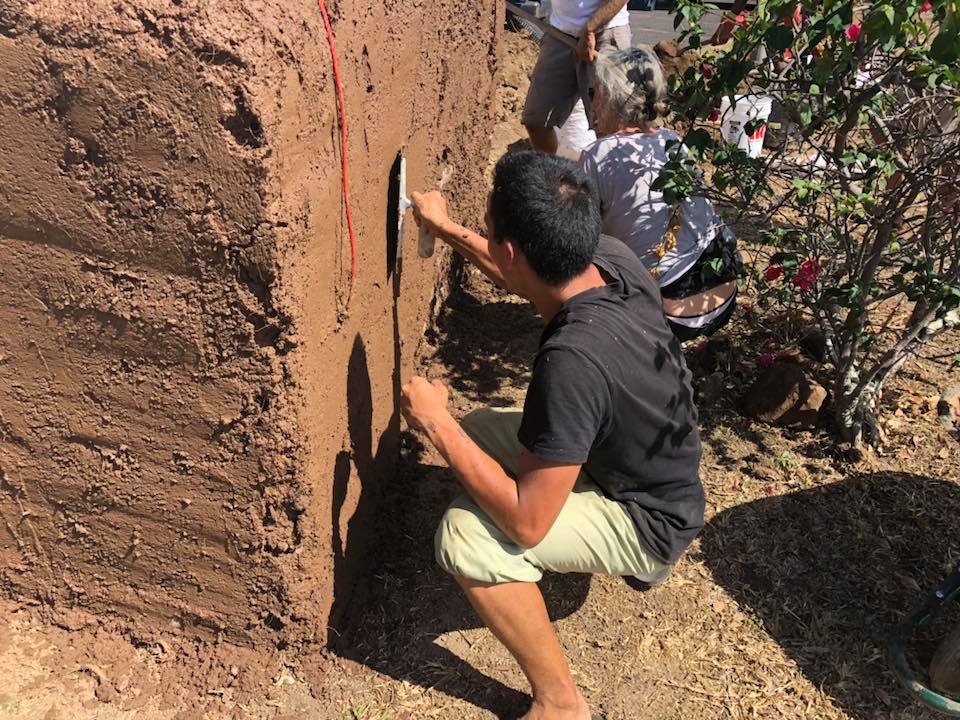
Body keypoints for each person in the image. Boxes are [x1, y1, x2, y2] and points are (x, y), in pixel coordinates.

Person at [403, 152, 704, 720]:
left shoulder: (572, 363)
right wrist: (446, 232)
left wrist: (434, 423)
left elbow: (525, 522)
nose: (490, 243)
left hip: (647, 514)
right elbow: (518, 271)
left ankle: (561, 703)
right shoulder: (607, 260)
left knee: (465, 534)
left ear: (513, 249)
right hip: (648, 463)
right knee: (483, 432)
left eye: (492, 234)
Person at [579, 46, 741, 341]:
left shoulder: (597, 155)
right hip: (724, 291)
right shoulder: (673, 140)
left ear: (614, 99)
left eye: (596, 92)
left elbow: (585, 242)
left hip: (672, 314)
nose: (593, 102)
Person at [523, 0, 632, 155]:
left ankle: (608, 177)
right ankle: (551, 175)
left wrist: (590, 29)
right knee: (536, 121)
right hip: (559, 33)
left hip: (605, 33)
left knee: (609, 126)